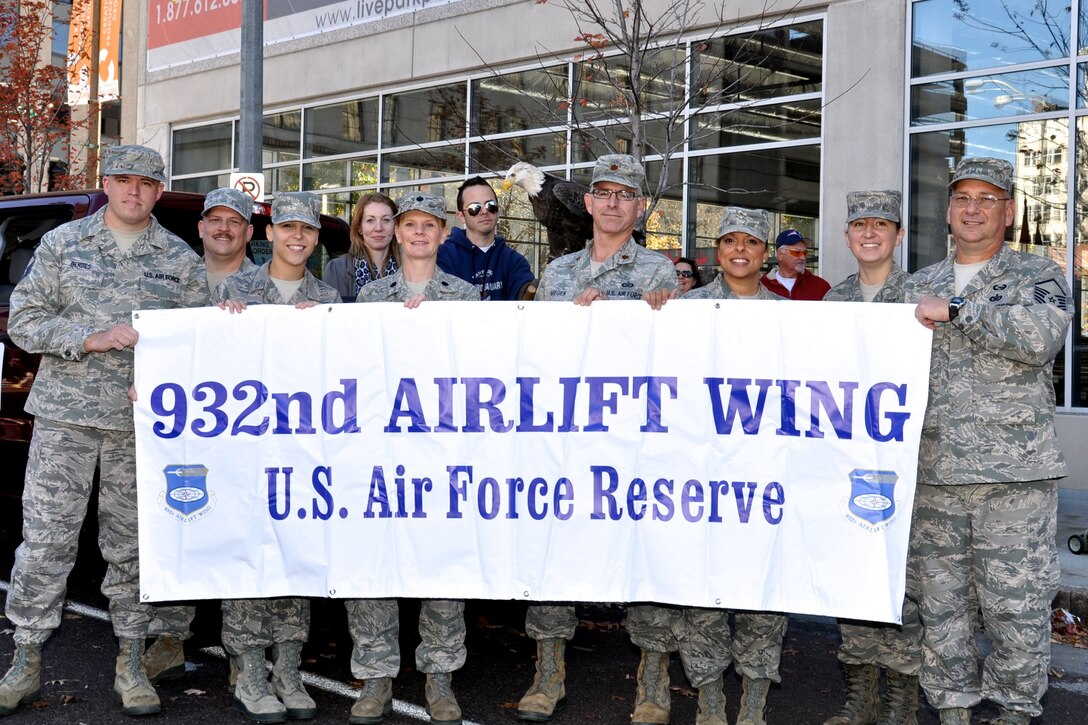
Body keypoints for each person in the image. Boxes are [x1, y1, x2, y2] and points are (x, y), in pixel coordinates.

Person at [0, 145, 208, 717]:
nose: (133, 191)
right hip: (65, 419)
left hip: (137, 426)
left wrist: (173, 384)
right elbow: (24, 320)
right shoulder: (64, 244)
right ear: (108, 184)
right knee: (45, 542)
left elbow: (197, 342)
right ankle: (25, 658)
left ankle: (132, 661)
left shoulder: (179, 258)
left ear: (158, 191)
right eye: (122, 181)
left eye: (145, 182)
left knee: (133, 547)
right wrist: (90, 336)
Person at [907, 157, 1071, 725]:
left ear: (1008, 210)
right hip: (933, 475)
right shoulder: (917, 283)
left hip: (1013, 479)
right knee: (941, 607)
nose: (972, 209)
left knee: (1016, 608)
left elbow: (1041, 339)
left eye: (986, 199)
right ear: (948, 212)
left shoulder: (1037, 277)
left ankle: (1014, 710)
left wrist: (956, 311)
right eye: (961, 199)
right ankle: (951, 710)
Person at [518, 154, 676, 724]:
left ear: (638, 207)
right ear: (586, 203)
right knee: (555, 556)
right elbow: (539, 353)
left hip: (633, 444)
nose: (611, 202)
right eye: (602, 192)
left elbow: (672, 358)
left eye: (624, 194)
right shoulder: (559, 273)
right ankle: (547, 674)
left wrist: (644, 314)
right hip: (566, 441)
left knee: (644, 557)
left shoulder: (660, 273)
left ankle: (653, 685)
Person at [348, 192, 476, 725]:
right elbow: (349, 368)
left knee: (440, 565)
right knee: (375, 564)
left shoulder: (467, 299)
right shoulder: (370, 298)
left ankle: (439, 679)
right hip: (382, 452)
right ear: (395, 234)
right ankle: (375, 677)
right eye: (410, 226)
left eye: (430, 225)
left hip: (442, 454)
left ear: (445, 234)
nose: (419, 233)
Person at [213, 191, 341, 723]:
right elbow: (207, 366)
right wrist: (224, 322)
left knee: (295, 554)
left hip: (303, 450)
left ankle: (288, 670)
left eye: (307, 231)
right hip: (244, 450)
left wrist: (326, 325)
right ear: (269, 234)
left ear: (316, 239)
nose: (297, 237)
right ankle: (249, 671)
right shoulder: (233, 289)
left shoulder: (329, 295)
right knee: (249, 555)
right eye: (287, 228)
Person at [662, 207, 788, 725]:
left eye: (752, 243)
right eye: (730, 241)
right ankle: (711, 699)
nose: (740, 250)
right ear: (717, 252)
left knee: (766, 592)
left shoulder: (791, 315)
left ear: (765, 253)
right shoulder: (685, 309)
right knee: (703, 595)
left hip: (764, 476)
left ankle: (754, 702)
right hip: (702, 478)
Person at [144, 187, 258, 685]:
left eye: (235, 221)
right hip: (185, 434)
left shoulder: (267, 285)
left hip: (249, 434)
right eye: (215, 220)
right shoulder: (169, 277)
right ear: (201, 227)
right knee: (180, 523)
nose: (224, 229)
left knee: (241, 533)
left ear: (249, 232)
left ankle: (241, 651)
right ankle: (170, 638)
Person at [823, 191, 921, 725]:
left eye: (881, 224)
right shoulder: (832, 303)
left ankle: (901, 700)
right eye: (859, 223)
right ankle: (861, 694)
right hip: (847, 461)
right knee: (852, 573)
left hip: (908, 464)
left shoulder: (921, 295)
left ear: (898, 235)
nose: (869, 232)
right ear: (846, 236)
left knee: (904, 582)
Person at [438, 176, 534, 300]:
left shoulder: (514, 262)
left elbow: (526, 304)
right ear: (461, 216)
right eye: (474, 208)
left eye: (490, 205)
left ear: (498, 211)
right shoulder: (444, 256)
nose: (484, 212)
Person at [323, 192, 399, 300]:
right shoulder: (338, 269)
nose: (378, 228)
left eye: (386, 220)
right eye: (370, 220)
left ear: (395, 227)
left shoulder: (407, 269)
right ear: (359, 228)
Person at [760, 228, 830, 300]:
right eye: (797, 252)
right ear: (780, 254)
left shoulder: (821, 287)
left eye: (805, 253)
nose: (803, 257)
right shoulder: (761, 286)